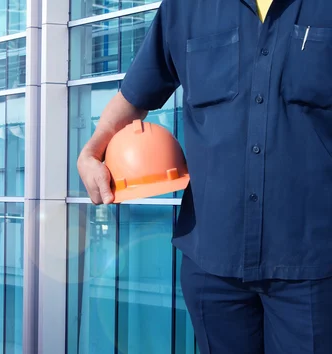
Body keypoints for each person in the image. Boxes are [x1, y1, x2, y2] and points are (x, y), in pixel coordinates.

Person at [77, 0, 332, 353]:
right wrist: (91, 151)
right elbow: (134, 97)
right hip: (212, 262)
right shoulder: (185, 7)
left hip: (314, 265)